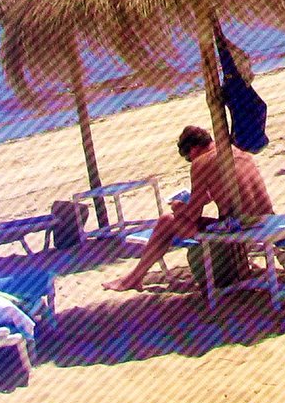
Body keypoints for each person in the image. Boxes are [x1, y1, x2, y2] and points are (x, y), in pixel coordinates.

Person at [102, 124, 273, 292]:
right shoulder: (238, 152)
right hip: (268, 222)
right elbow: (232, 192)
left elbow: (193, 214)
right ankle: (134, 278)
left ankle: (133, 279)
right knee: (177, 220)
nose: (190, 160)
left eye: (188, 157)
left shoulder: (201, 162)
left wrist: (178, 207)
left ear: (194, 148)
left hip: (242, 228)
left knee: (166, 222)